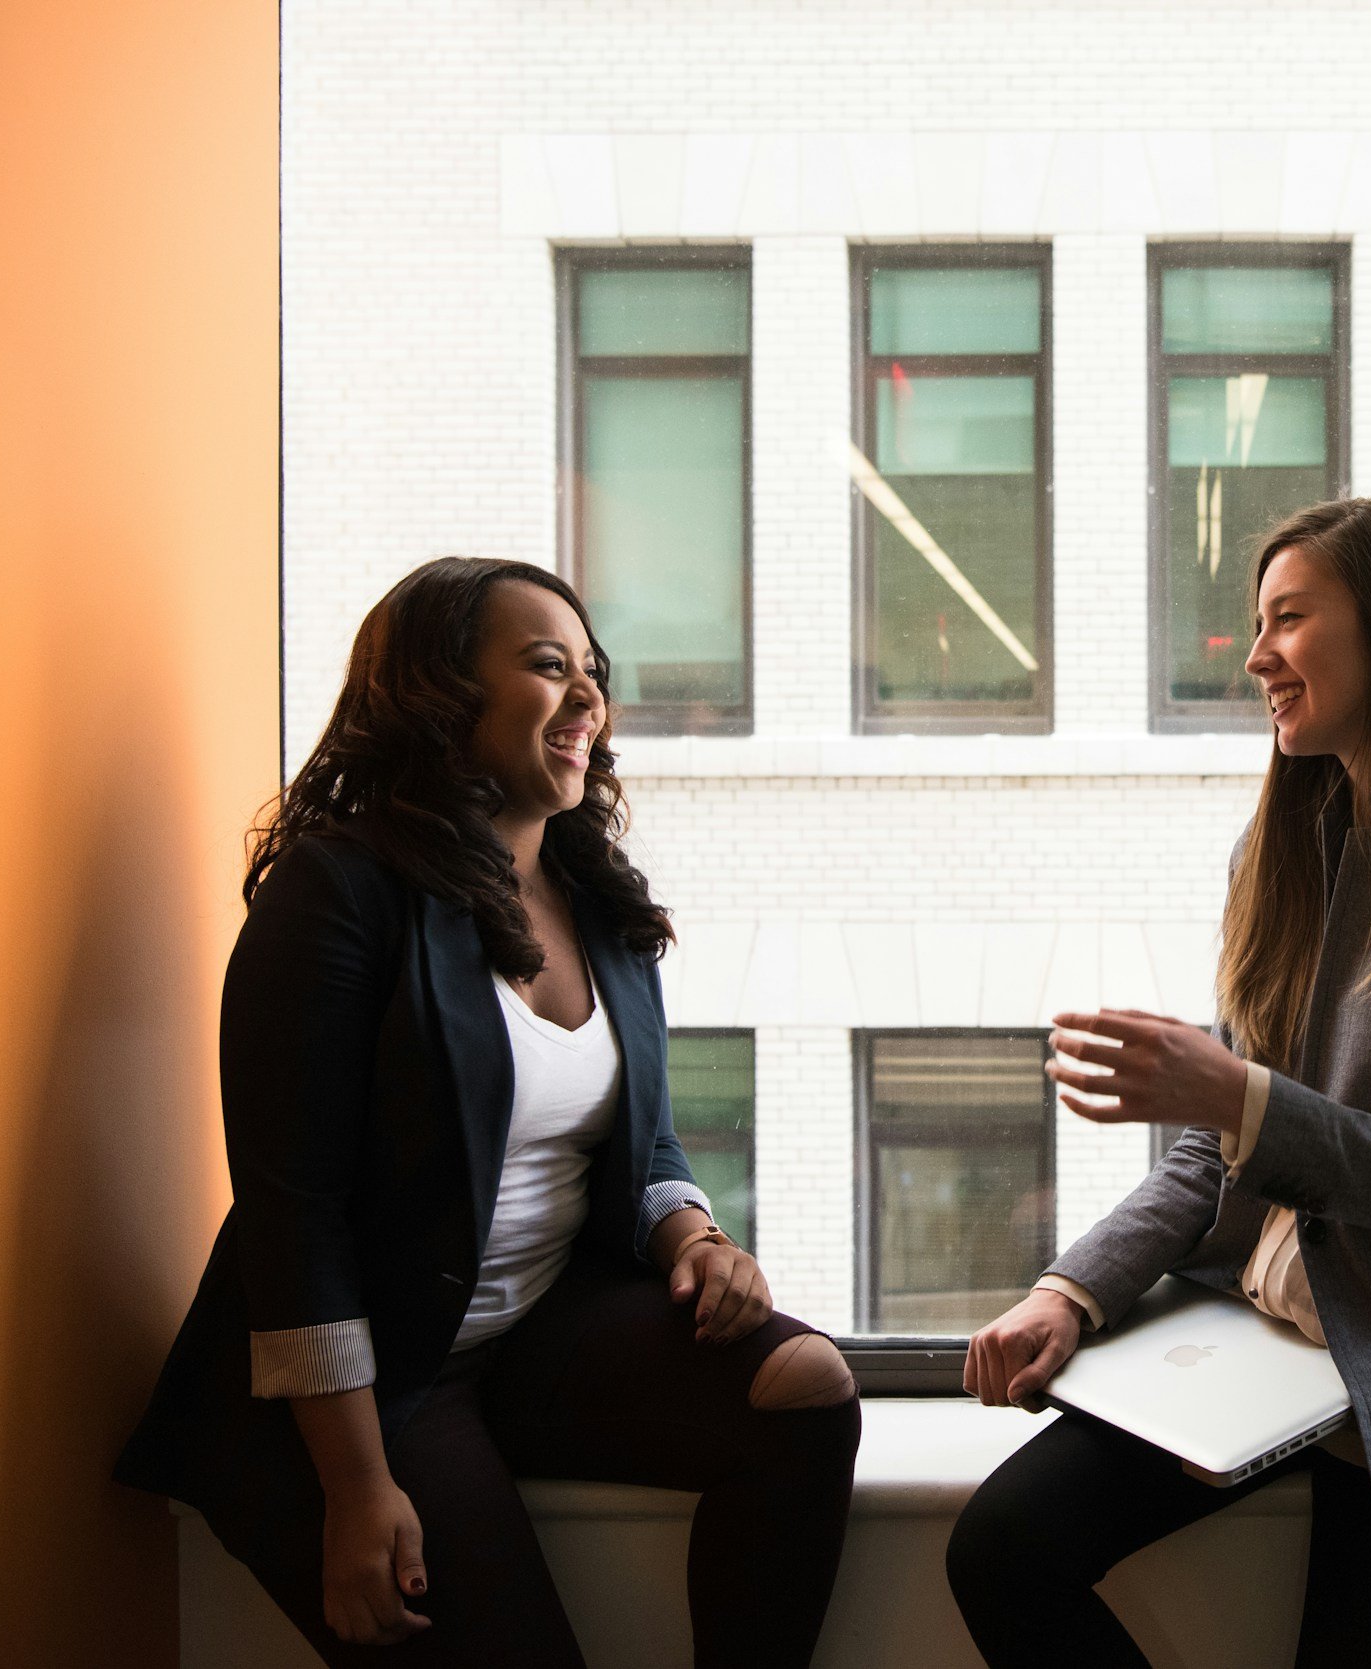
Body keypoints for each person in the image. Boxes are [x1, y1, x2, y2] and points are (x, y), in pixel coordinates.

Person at [116, 557, 859, 1667]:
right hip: (359, 1388)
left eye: (594, 673)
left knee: (806, 1390)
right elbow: (294, 1210)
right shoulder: (337, 891)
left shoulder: (594, 894)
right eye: (548, 666)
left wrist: (693, 1234)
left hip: (523, 1331)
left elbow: (638, 1136)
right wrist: (357, 1488)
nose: (588, 698)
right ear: (436, 692)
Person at [947, 497, 1371, 1669]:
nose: (1254, 656)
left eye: (1288, 619)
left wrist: (1238, 1099)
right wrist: (1069, 1293)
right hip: (1267, 1341)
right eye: (1258, 624)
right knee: (1000, 1548)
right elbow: (1213, 1151)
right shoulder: (1281, 847)